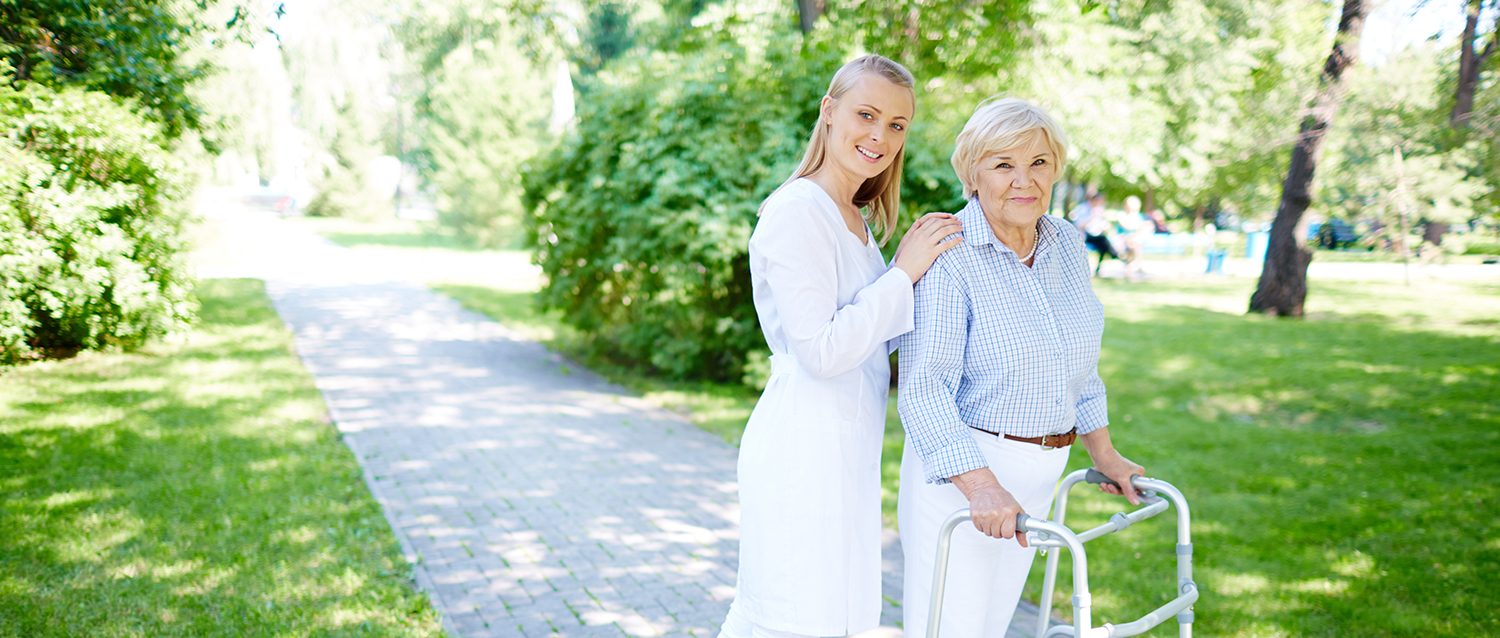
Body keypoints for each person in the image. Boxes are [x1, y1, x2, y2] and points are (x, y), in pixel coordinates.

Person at [718, 54, 964, 638]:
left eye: (897, 125)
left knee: (842, 617)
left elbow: (873, 335)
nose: (880, 136)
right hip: (801, 453)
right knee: (794, 617)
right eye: (866, 114)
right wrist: (903, 275)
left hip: (846, 453)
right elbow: (822, 350)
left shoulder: (853, 218)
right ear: (830, 113)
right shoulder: (796, 212)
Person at [896, 97, 1145, 638]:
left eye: (1038, 162)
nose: (1023, 180)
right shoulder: (949, 252)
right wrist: (982, 486)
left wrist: (1105, 453)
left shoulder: (1066, 244)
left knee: (992, 627)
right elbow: (923, 390)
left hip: (1040, 477)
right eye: (1003, 164)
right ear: (973, 172)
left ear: (1055, 168)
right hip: (964, 479)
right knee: (948, 630)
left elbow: (1076, 365)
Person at [1072, 193, 1120, 275]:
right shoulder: (1082, 209)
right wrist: (1092, 216)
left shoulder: (1100, 210)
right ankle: (1115, 255)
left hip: (1096, 235)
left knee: (1103, 243)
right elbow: (1079, 225)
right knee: (1103, 243)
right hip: (1083, 235)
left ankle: (1108, 259)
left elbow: (1102, 224)